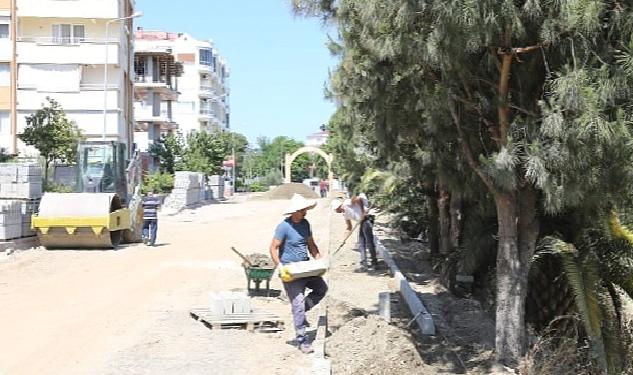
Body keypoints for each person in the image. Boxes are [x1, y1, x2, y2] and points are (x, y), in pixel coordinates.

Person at [269, 193, 328, 354]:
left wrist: (318, 259)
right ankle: (302, 340)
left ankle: (301, 312)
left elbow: (311, 245)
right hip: (290, 271)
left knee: (321, 289)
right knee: (297, 302)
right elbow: (273, 247)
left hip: (306, 268)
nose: (305, 213)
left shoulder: (305, 224)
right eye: (303, 210)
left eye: (305, 210)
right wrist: (280, 266)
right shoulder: (284, 227)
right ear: (295, 211)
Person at [330, 193, 378, 270]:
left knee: (369, 242)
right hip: (362, 222)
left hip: (367, 220)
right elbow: (349, 227)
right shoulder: (345, 214)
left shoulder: (347, 203)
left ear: (338, 207)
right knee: (361, 243)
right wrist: (343, 240)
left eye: (336, 210)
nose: (337, 212)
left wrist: (362, 212)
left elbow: (358, 199)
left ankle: (374, 263)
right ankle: (364, 264)